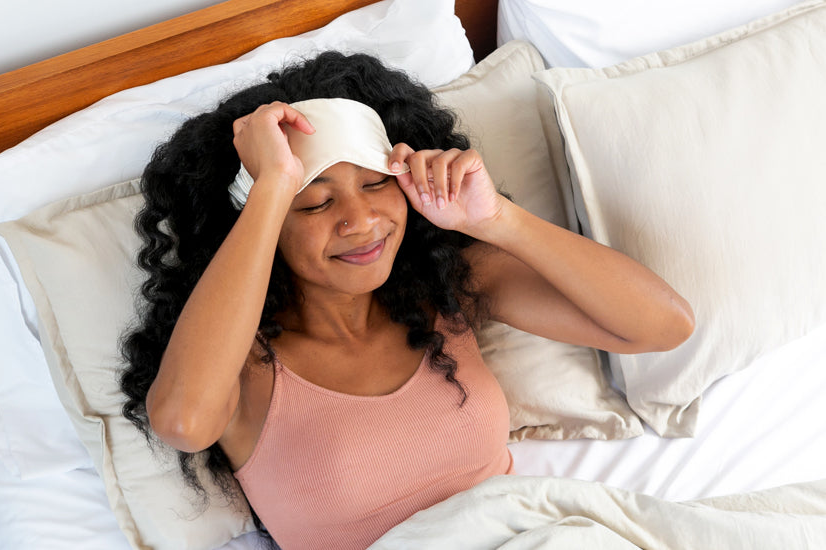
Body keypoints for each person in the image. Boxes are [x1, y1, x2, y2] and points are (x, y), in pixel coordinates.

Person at [120, 51, 694, 549]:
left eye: (375, 184)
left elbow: (663, 326)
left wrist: (498, 219)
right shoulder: (243, 364)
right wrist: (272, 181)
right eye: (315, 204)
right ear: (264, 223)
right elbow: (182, 421)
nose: (361, 221)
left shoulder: (444, 289)